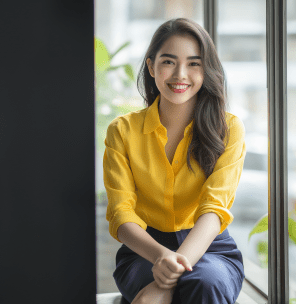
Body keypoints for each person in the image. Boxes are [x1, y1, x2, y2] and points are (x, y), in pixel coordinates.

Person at [103, 18, 246, 304]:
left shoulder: (228, 129)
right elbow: (121, 213)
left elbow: (214, 210)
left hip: (210, 248)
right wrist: (161, 258)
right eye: (169, 61)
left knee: (207, 283)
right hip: (144, 250)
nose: (180, 74)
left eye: (194, 63)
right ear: (150, 66)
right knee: (151, 283)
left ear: (207, 70)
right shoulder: (122, 131)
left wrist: (168, 277)